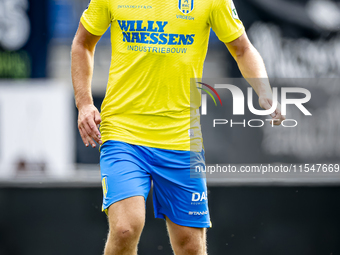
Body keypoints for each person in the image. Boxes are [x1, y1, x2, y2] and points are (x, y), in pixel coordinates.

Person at [71, 0, 285, 254]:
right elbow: (82, 43)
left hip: (182, 138)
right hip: (123, 131)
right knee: (125, 228)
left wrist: (264, 90)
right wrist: (84, 103)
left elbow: (242, 49)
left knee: (190, 246)